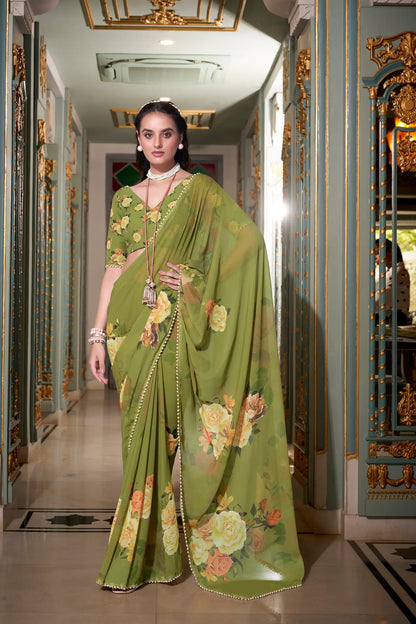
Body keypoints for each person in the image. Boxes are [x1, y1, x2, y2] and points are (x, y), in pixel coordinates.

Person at [89, 99, 304, 599]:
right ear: (137, 140)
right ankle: (151, 556)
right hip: (127, 329)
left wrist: (190, 278)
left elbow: (246, 247)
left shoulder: (199, 192)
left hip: (174, 326)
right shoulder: (124, 200)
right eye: (147, 134)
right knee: (136, 439)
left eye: (166, 134)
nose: (157, 142)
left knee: (165, 434)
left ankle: (142, 557)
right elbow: (113, 269)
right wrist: (97, 335)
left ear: (180, 139)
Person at [375, 239, 410, 326]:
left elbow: (380, 298)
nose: (374, 257)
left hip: (395, 320)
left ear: (390, 252)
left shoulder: (398, 272)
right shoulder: (391, 272)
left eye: (377, 253)